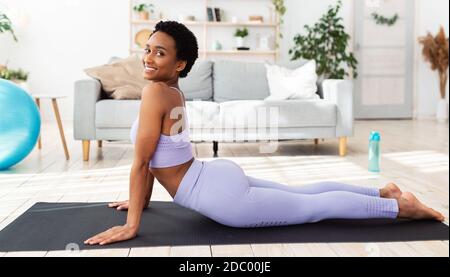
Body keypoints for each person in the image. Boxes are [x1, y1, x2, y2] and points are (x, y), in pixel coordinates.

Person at [84, 21, 445, 246]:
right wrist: (141, 203)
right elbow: (153, 160)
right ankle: (381, 191)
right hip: (210, 175)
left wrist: (133, 225)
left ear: (179, 64)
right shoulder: (171, 90)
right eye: (147, 49)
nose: (148, 57)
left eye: (159, 53)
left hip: (219, 195)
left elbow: (142, 163)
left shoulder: (154, 93)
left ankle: (398, 206)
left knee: (311, 208)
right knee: (303, 194)